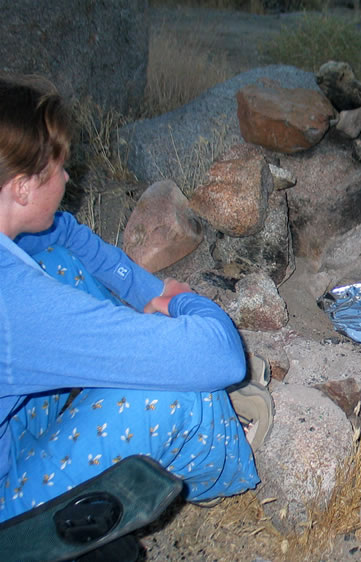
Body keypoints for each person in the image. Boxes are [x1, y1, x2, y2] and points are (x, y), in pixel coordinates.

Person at [0, 75, 273, 522]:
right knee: (177, 395)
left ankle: (135, 360)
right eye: (60, 168)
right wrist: (185, 303)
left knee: (59, 260)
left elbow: (65, 234)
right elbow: (222, 355)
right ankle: (226, 453)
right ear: (23, 186)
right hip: (7, 522)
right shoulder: (12, 303)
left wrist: (149, 291)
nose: (68, 178)